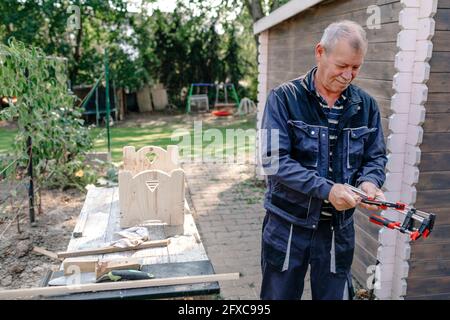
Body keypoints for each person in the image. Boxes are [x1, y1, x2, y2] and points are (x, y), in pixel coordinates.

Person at [259, 20, 388, 300]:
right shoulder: (282, 99)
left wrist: (369, 182)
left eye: (355, 68)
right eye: (342, 66)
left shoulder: (366, 106)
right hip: (287, 225)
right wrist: (327, 190)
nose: (348, 75)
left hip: (337, 231)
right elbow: (273, 160)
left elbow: (375, 157)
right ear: (320, 52)